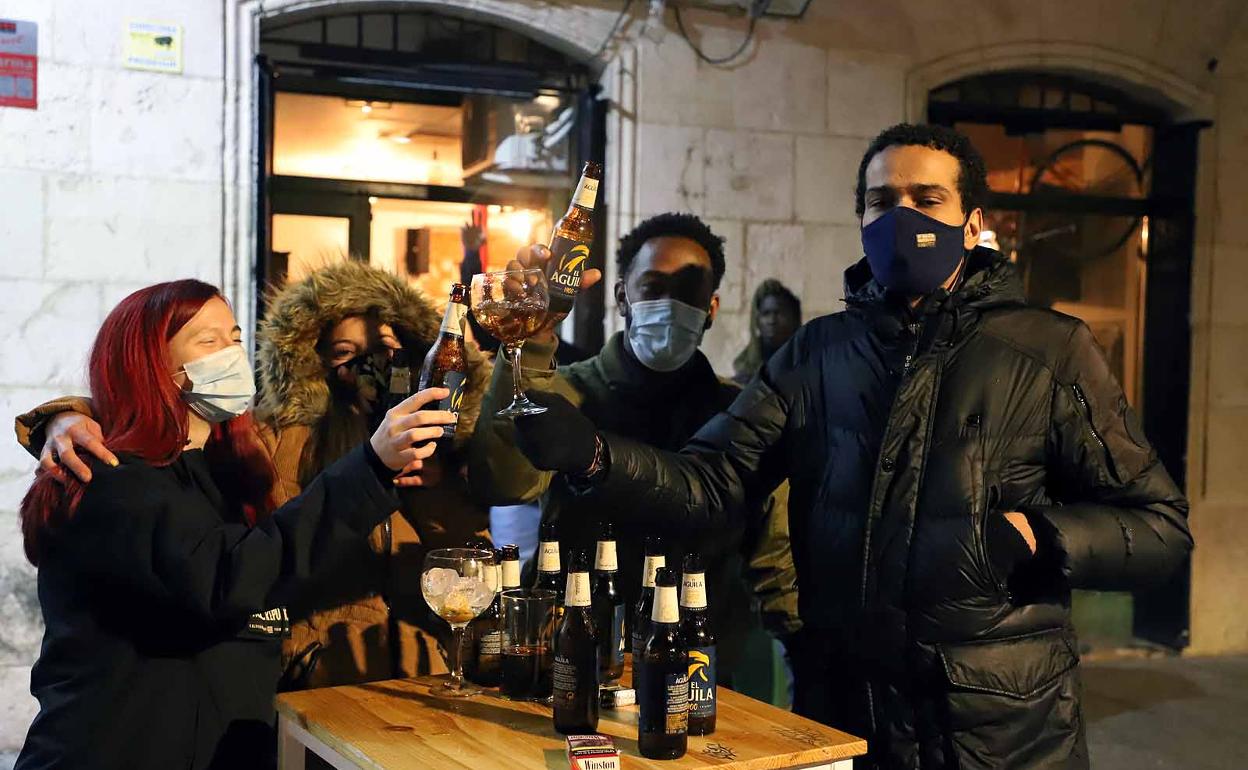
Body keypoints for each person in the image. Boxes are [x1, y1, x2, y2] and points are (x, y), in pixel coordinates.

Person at [505, 124, 1193, 769]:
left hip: (998, 729)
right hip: (845, 713)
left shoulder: (1049, 351)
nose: (903, 218)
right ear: (861, 221)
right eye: (881, 202)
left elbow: (1158, 528)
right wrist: (598, 455)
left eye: (928, 199)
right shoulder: (815, 355)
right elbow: (713, 481)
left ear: (973, 222)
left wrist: (1040, 534)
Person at [14, 280, 454, 769]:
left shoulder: (225, 472)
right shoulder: (111, 478)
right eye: (209, 341)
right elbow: (229, 576)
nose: (231, 356)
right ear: (151, 364)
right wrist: (371, 467)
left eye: (236, 338)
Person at [468, 212, 799, 684]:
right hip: (581, 650)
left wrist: (803, 653)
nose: (669, 305)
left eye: (688, 292)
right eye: (653, 286)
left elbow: (776, 549)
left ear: (712, 307)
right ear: (622, 295)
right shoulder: (567, 393)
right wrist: (531, 340)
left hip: (706, 659)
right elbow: (503, 480)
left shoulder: (740, 412)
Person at [732, 279, 802, 385]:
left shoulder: (807, 363)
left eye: (778, 313)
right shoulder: (746, 366)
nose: (771, 320)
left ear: (794, 318)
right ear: (757, 320)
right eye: (766, 314)